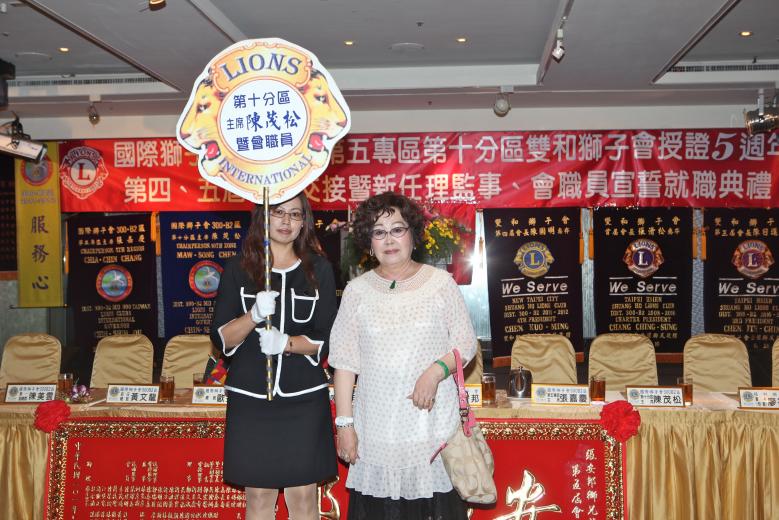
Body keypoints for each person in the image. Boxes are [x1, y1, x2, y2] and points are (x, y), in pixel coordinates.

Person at [329, 192, 477, 519]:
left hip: (431, 429)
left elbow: (466, 343)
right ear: (368, 242)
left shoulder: (440, 283)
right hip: (376, 431)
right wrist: (345, 426)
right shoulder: (356, 291)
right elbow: (344, 363)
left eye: (397, 229)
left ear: (413, 234)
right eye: (378, 232)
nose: (389, 240)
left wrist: (435, 372)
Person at [210, 193, 337, 520]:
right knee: (259, 497)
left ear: (304, 222)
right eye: (278, 212)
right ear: (263, 218)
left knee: (304, 497)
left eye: (295, 214)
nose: (286, 221)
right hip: (252, 398)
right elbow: (221, 338)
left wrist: (287, 344)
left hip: (303, 399)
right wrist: (252, 315)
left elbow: (328, 338)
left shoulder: (319, 269)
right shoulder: (239, 269)